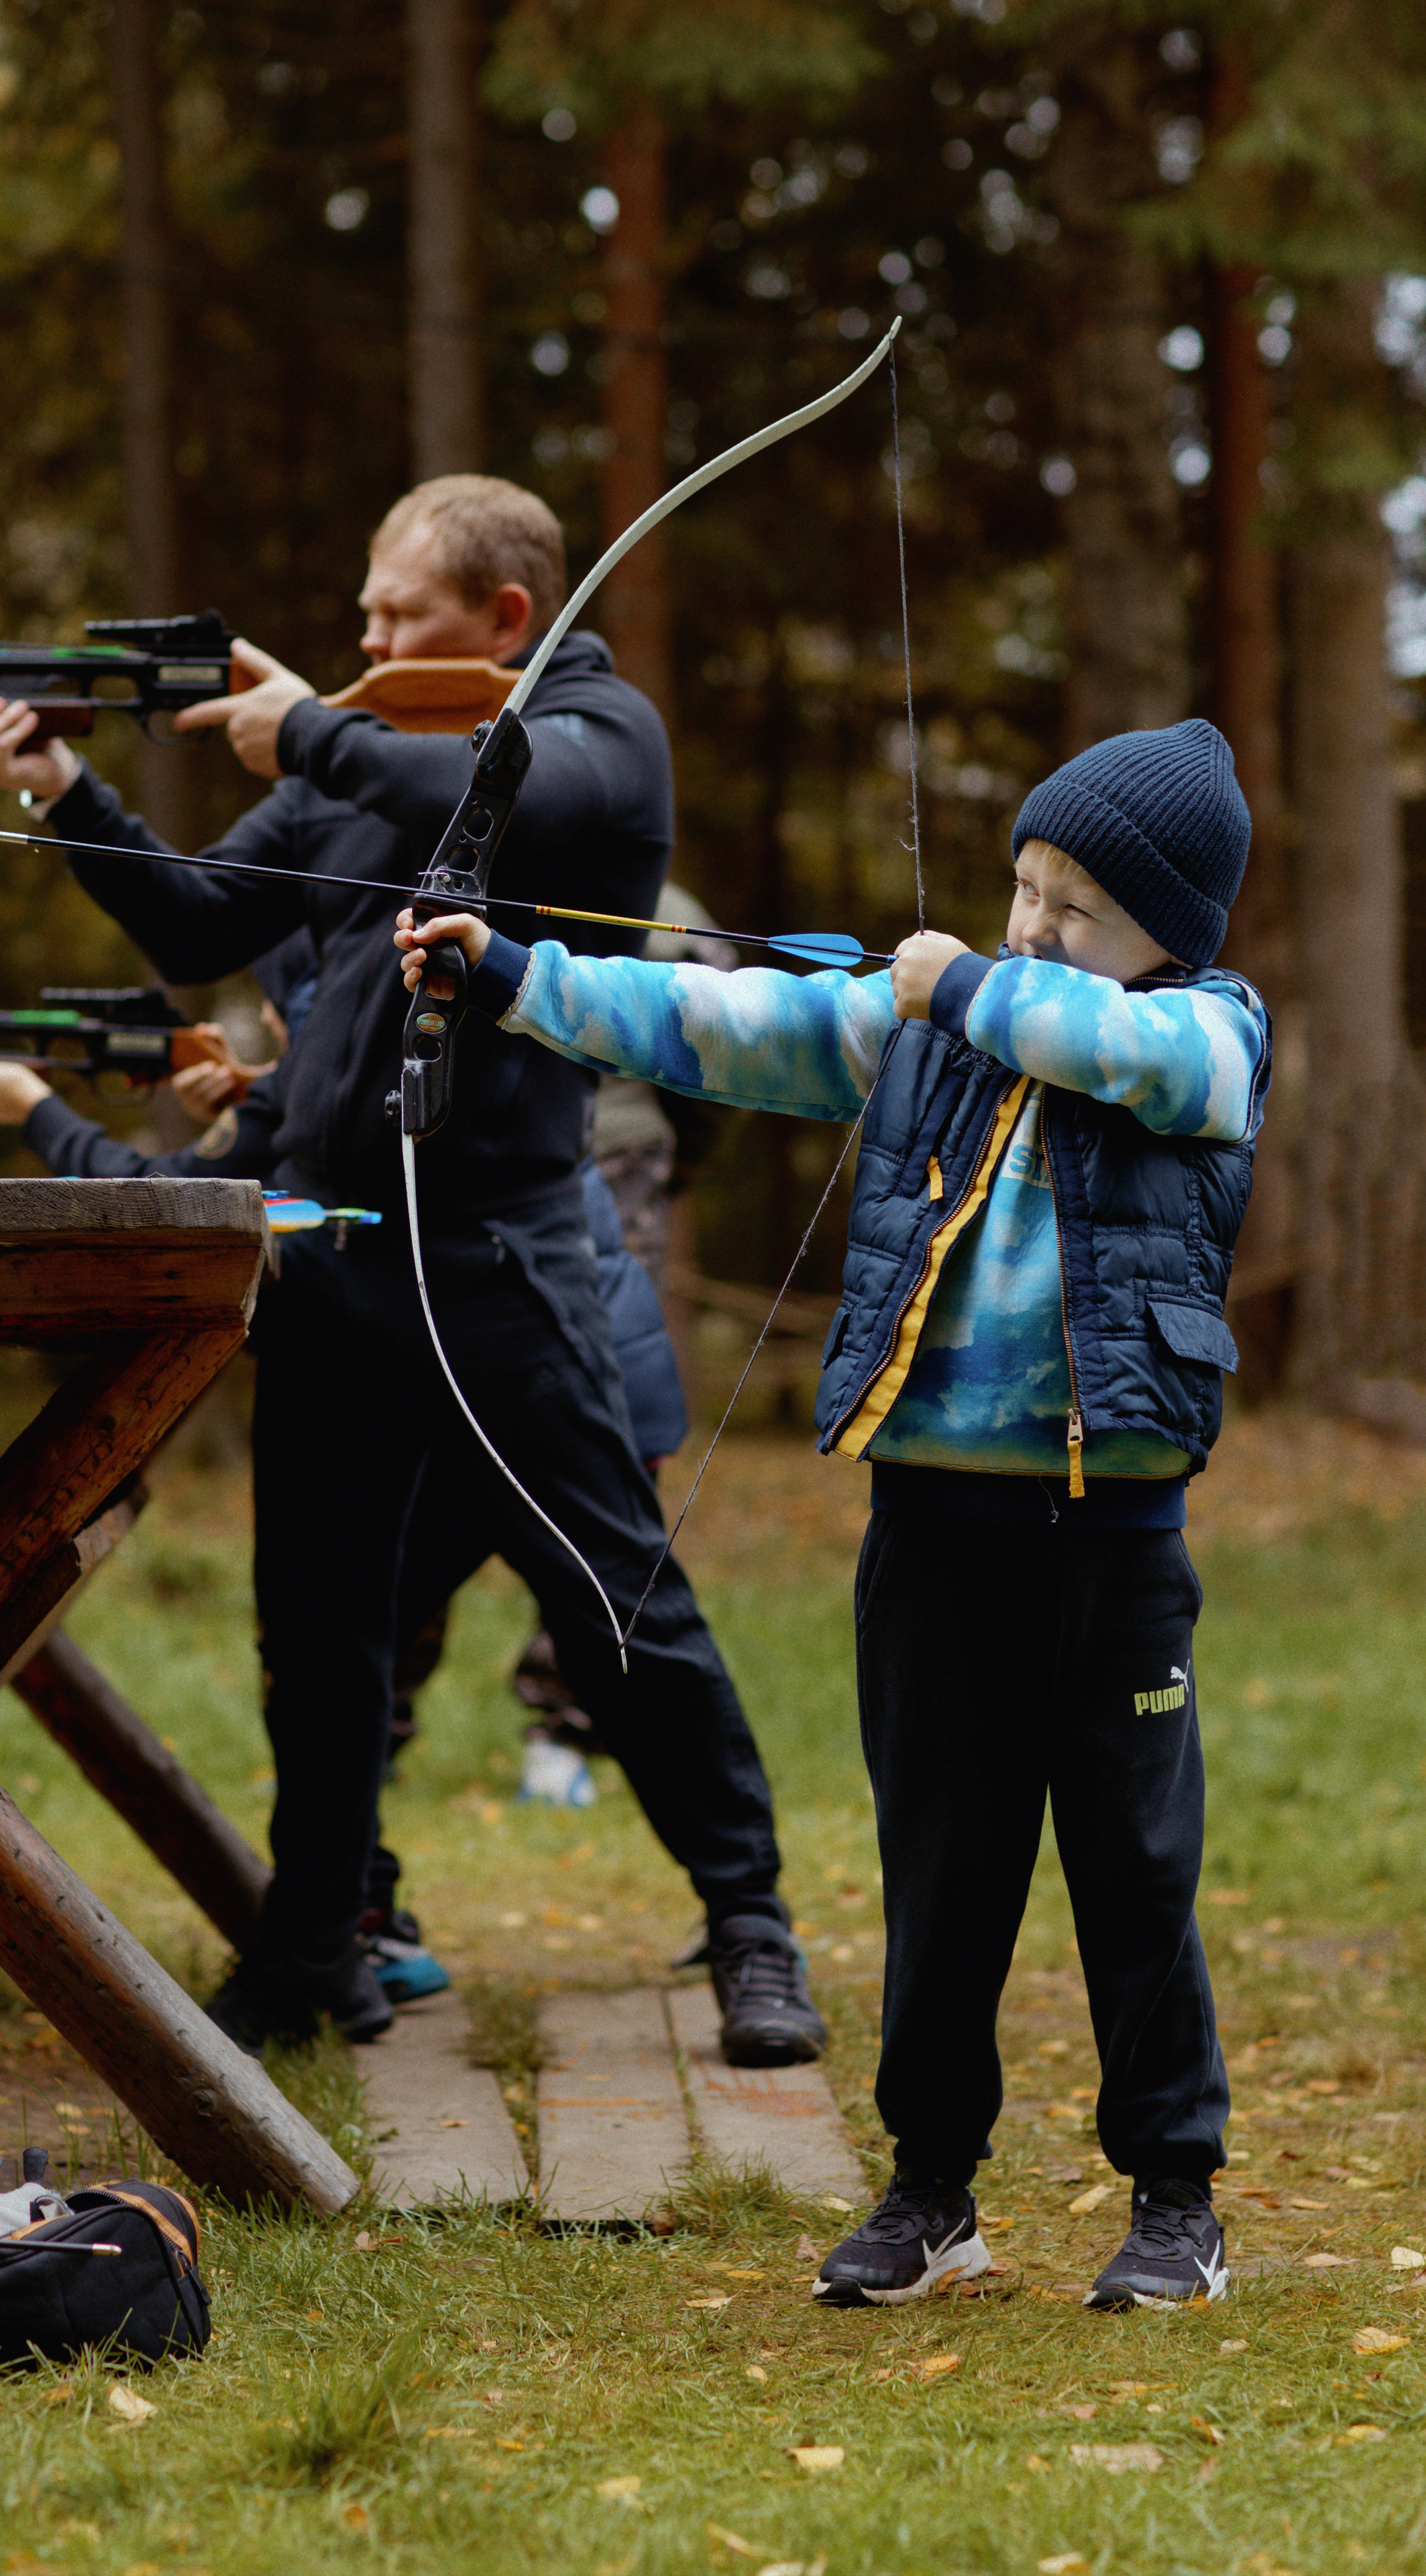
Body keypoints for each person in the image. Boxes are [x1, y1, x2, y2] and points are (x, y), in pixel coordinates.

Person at [0, 472, 824, 2069]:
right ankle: (308, 1950)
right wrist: (68, 781)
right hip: (334, 1256)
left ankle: (750, 1929)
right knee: (320, 1624)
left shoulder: (597, 734)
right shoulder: (357, 756)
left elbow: (519, 797)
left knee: (611, 1595)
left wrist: (310, 727)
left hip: (506, 1250)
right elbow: (198, 917)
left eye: (392, 615)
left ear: (499, 617)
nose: (356, 642)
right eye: (358, 616)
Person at [399, 718, 1270, 2314]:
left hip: (1112, 1546)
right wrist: (520, 976)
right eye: (1022, 889)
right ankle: (933, 2192)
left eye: (1075, 910)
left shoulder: (1209, 1036)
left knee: (1133, 1871)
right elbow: (727, 1020)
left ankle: (1174, 2197)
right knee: (942, 1866)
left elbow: (1146, 1062)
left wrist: (974, 988)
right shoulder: (923, 1022)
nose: (1030, 926)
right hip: (930, 1526)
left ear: (1170, 931)